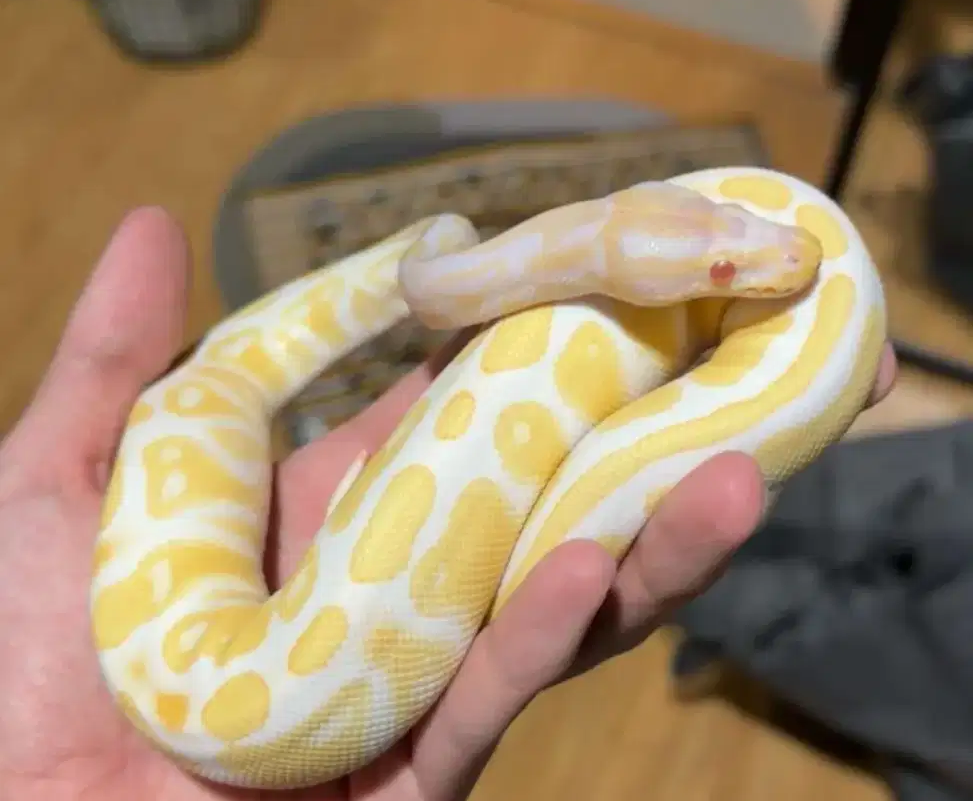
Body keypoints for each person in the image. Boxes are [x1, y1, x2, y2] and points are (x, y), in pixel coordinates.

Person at [0, 207, 897, 801]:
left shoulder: (706, 240)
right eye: (723, 262)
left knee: (197, 394)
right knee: (207, 390)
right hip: (220, 678)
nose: (788, 258)